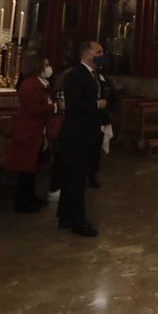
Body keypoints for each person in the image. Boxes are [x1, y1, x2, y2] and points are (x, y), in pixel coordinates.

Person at [56, 41, 106, 237]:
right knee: (75, 178)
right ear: (87, 55)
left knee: (74, 176)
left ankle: (65, 215)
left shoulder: (92, 75)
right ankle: (78, 220)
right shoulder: (76, 75)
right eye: (98, 52)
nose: (102, 55)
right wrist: (97, 104)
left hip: (86, 132)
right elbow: (75, 104)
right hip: (76, 133)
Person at [8, 55, 56, 213]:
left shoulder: (41, 84)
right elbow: (34, 109)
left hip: (37, 130)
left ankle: (30, 196)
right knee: (26, 167)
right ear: (37, 66)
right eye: (46, 64)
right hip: (28, 131)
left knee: (33, 166)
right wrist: (54, 107)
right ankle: (22, 202)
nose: (49, 67)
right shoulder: (30, 85)